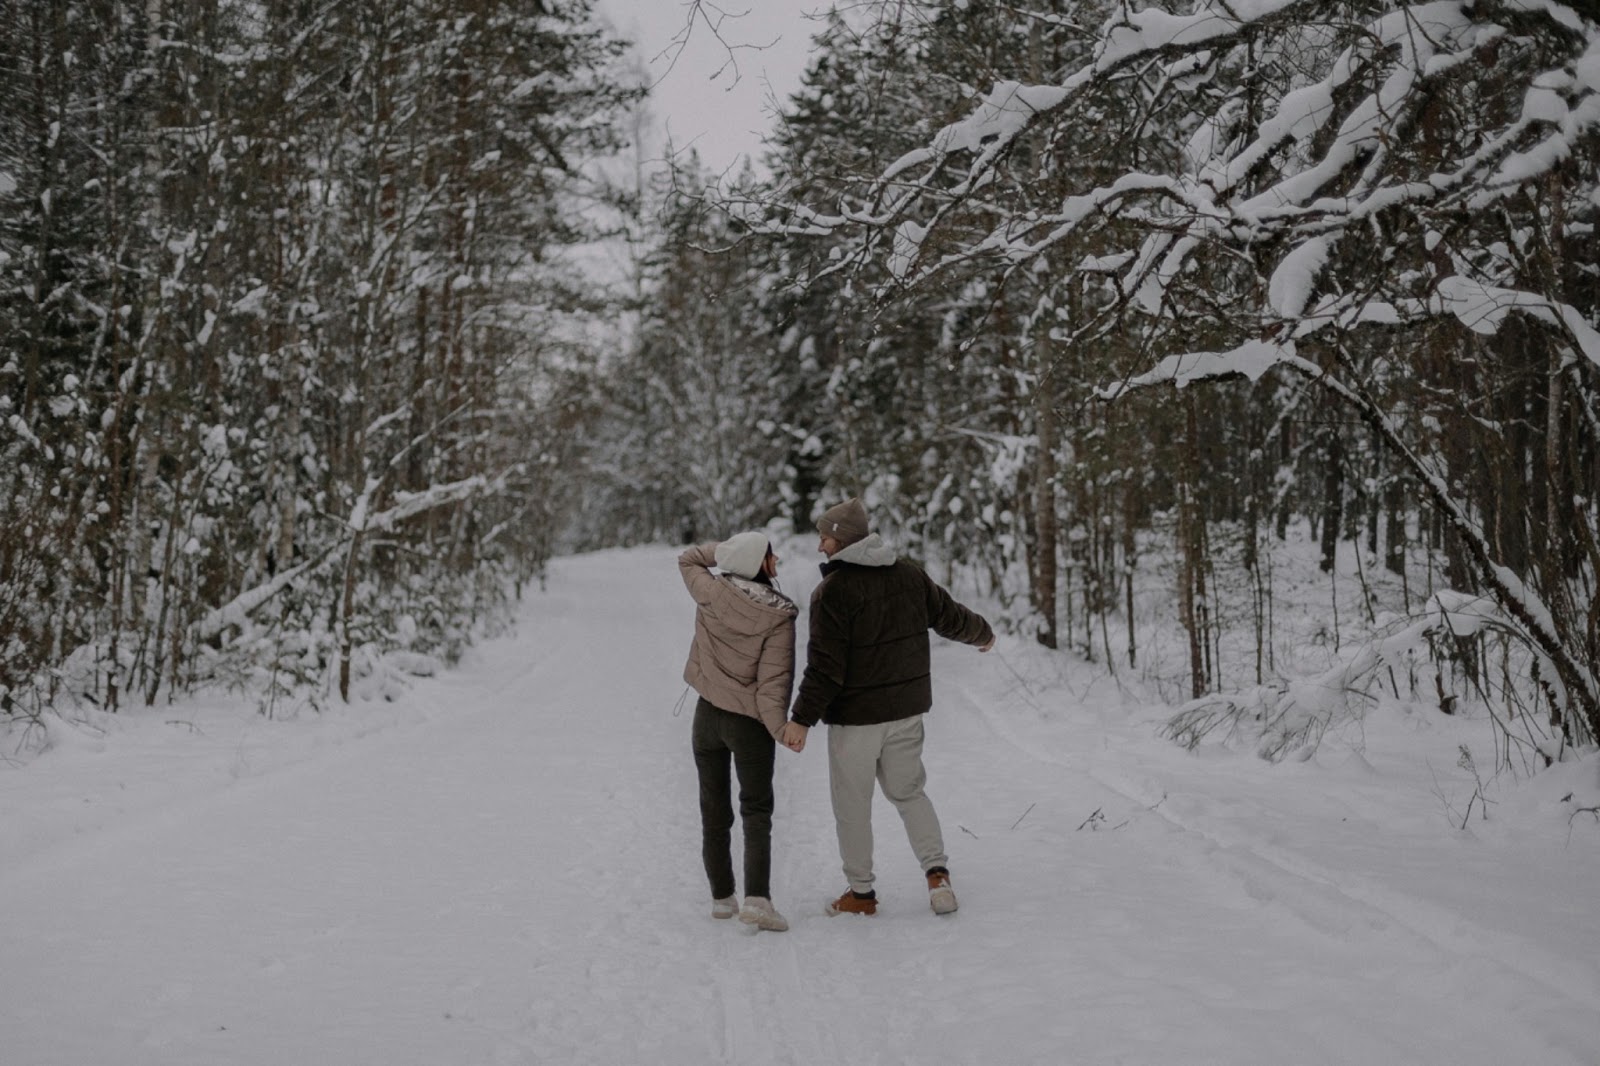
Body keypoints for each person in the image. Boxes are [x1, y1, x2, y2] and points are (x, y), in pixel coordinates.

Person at [783, 497, 994, 917]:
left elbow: (825, 668)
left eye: (824, 537)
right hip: (905, 713)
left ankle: (860, 894)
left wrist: (800, 719)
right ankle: (938, 877)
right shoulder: (910, 576)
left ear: (841, 540)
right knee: (909, 793)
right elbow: (949, 615)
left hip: (856, 722)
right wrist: (982, 634)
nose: (820, 546)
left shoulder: (832, 592)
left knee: (852, 805)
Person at [679, 531, 799, 933]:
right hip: (748, 725)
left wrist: (725, 554)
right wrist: (781, 729)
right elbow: (772, 684)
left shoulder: (710, 592)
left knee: (713, 811)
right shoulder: (778, 617)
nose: (776, 558)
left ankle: (721, 897)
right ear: (758, 564)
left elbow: (689, 558)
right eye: (769, 555)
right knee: (755, 811)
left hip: (706, 717)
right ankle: (757, 900)